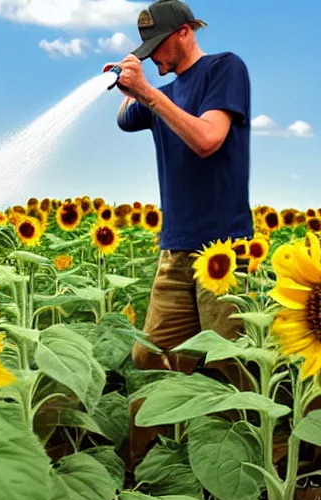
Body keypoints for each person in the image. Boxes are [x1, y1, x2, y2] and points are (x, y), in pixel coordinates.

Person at [103, 0, 255, 467]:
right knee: (152, 360)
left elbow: (209, 140)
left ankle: (260, 471)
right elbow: (124, 118)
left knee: (230, 368)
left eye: (158, 46)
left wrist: (149, 92)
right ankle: (148, 470)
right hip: (174, 250)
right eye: (144, 51)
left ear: (186, 31)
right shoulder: (161, 92)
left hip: (223, 250)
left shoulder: (224, 69)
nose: (153, 58)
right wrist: (133, 81)